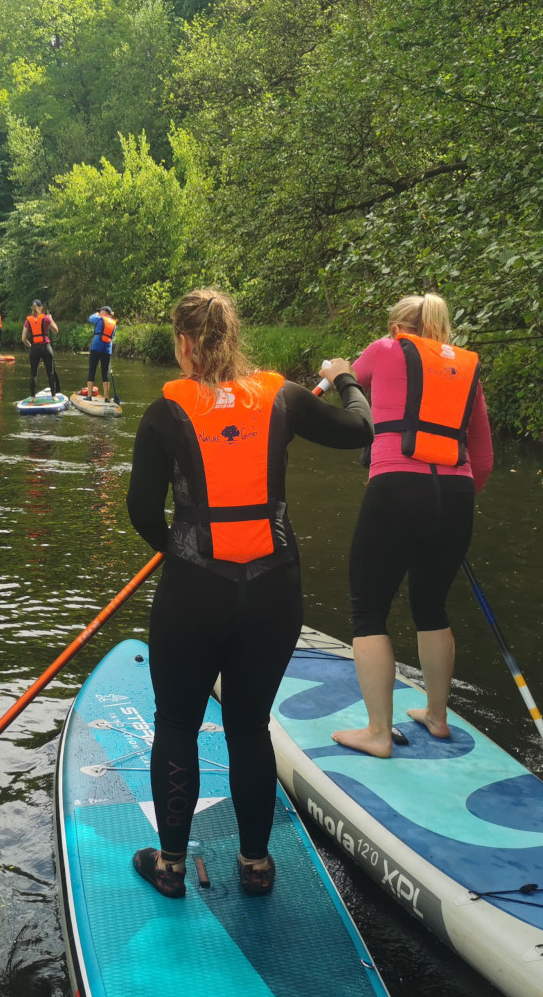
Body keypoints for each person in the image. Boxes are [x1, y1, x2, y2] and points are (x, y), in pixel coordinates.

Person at [125, 287, 373, 899]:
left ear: (184, 344)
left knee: (178, 723)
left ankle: (172, 866)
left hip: (193, 591)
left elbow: (141, 511)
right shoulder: (284, 397)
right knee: (249, 726)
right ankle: (255, 865)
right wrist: (344, 379)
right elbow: (361, 429)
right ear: (233, 338)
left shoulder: (164, 410)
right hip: (272, 589)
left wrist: (178, 547)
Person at [330, 293, 493, 758]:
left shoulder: (384, 349)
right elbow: (482, 458)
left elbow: (351, 396)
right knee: (431, 606)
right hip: (456, 498)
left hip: (396, 490)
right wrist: (446, 505)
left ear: (398, 328)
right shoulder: (468, 371)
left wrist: (335, 372)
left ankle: (378, 733)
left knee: (368, 611)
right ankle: (437, 717)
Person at [22, 299, 61, 398]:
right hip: (46, 348)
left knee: (33, 374)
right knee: (50, 372)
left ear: (32, 308)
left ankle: (32, 398)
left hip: (35, 348)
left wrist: (31, 346)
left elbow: (23, 338)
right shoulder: (46, 318)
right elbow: (55, 330)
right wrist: (51, 319)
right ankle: (53, 396)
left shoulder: (28, 321)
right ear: (41, 308)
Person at [84, 306, 117, 401]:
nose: (99, 312)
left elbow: (90, 318)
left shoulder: (99, 319)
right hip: (107, 349)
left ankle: (89, 396)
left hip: (96, 347)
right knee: (105, 372)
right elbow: (112, 336)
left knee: (92, 369)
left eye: (100, 311)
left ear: (105, 313)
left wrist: (98, 314)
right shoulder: (114, 324)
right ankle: (106, 397)